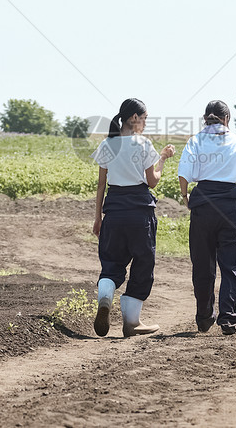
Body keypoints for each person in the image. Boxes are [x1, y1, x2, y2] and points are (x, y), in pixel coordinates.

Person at [178, 100, 236, 335]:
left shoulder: (195, 140)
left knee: (202, 265)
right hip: (230, 206)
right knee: (231, 264)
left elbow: (183, 171)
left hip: (203, 205)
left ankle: (204, 317)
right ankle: (227, 318)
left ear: (205, 118)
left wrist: (186, 196)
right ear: (227, 119)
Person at [91, 98, 175, 338]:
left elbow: (100, 186)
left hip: (114, 211)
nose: (146, 123)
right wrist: (163, 158)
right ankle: (131, 323)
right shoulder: (143, 144)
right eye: (145, 118)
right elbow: (152, 181)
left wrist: (98, 218)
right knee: (143, 262)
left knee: (111, 262)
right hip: (139, 212)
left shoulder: (108, 144)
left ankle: (105, 297)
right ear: (134, 118)